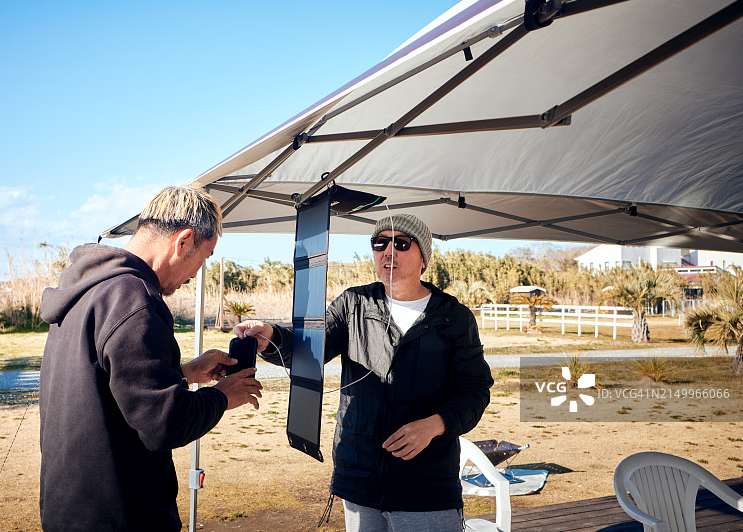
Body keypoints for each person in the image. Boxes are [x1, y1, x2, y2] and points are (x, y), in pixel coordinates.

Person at [235, 213, 493, 532]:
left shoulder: (453, 316)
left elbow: (476, 390)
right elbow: (310, 344)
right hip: (358, 481)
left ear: (423, 257)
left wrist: (435, 425)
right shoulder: (353, 304)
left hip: (426, 489)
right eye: (380, 243)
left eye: (401, 243)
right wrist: (271, 336)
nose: (389, 251)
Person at [39, 186, 263, 532]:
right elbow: (164, 424)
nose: (195, 274)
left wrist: (183, 373)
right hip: (122, 515)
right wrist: (223, 396)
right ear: (184, 241)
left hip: (69, 506)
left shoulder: (92, 289)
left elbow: (107, 386)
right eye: (204, 257)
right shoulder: (135, 299)